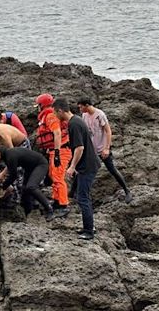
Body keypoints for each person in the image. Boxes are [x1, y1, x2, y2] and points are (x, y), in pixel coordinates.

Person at [53, 98, 101, 241]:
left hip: (87, 166)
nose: (55, 116)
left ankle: (89, 231)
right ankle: (89, 226)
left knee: (83, 198)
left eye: (55, 112)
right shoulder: (77, 121)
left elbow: (80, 147)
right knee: (82, 196)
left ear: (60, 111)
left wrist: (72, 167)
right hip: (88, 164)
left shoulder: (74, 124)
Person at [77, 97, 132, 204]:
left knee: (112, 170)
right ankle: (73, 193)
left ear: (87, 105)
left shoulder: (99, 114)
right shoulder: (84, 115)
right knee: (81, 170)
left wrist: (106, 148)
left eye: (80, 107)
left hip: (102, 150)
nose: (79, 109)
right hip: (91, 151)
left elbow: (108, 131)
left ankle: (127, 191)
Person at [0, 146, 55, 220]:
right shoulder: (7, 154)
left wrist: (2, 187)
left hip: (40, 165)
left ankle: (49, 208)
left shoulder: (10, 156)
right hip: (30, 167)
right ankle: (29, 211)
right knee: (25, 189)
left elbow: (13, 176)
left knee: (31, 187)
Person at [35, 93, 72, 218]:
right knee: (53, 175)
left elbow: (56, 133)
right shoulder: (49, 115)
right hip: (55, 149)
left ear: (42, 105)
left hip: (60, 150)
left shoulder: (50, 116)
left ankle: (63, 204)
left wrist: (56, 152)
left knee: (58, 177)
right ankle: (57, 200)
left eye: (38, 105)